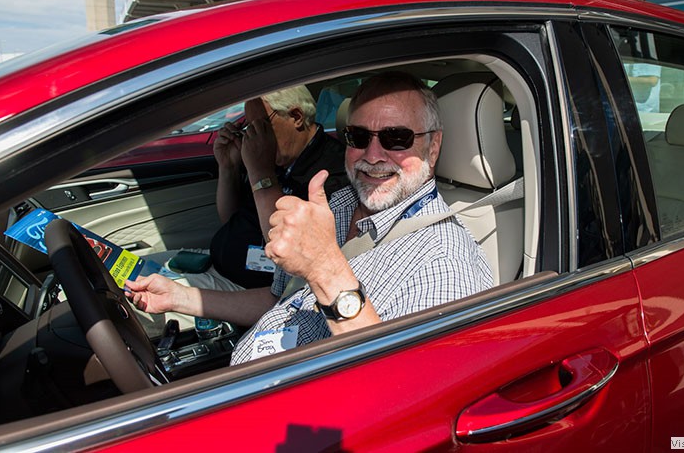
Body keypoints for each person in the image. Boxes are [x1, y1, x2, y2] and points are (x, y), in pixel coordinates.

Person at [127, 72, 493, 365]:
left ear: (433, 145)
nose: (373, 155)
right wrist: (179, 297)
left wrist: (326, 270)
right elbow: (279, 300)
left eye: (397, 138)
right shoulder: (339, 203)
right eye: (359, 136)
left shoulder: (445, 261)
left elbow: (409, 395)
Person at [203, 85, 349, 289]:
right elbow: (231, 219)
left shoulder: (332, 174)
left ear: (297, 117)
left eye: (261, 126)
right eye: (248, 128)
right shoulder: (275, 160)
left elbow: (290, 247)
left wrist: (260, 174)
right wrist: (228, 167)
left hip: (254, 291)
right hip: (219, 270)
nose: (253, 137)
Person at [615, 0, 662, 113]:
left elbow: (651, 80)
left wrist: (616, 78)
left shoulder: (643, 37)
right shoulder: (620, 40)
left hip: (643, 117)